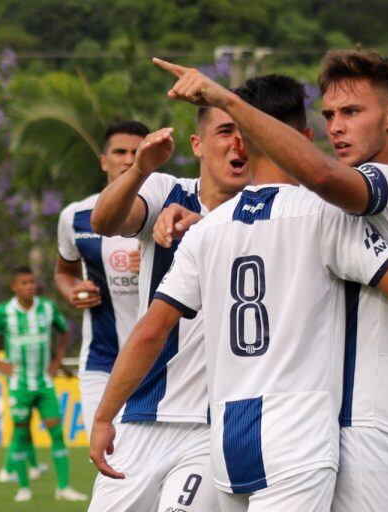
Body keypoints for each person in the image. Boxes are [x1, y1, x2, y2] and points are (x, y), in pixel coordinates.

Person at [147, 49, 388, 512]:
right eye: (330, 115)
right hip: (321, 420)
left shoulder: (371, 186)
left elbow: (326, 172)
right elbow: (378, 164)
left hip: (364, 415)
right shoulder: (360, 190)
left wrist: (225, 100)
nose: (336, 126)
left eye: (350, 112)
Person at [84, 104, 250, 511]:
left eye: (247, 131)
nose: (238, 143)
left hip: (214, 427)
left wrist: (204, 227)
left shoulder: (267, 213)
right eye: (226, 131)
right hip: (141, 416)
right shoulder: (164, 191)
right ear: (197, 144)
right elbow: (104, 222)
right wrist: (139, 169)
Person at [55, 120, 146, 437]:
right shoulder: (76, 216)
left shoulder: (172, 209)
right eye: (120, 152)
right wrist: (74, 292)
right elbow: (64, 272)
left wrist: (158, 262)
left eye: (138, 151)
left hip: (161, 361)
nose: (129, 159)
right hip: (102, 362)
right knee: (108, 457)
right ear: (104, 161)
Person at [0, 265, 87, 502]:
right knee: (22, 434)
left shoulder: (47, 308)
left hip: (44, 382)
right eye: (24, 283)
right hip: (19, 384)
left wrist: (58, 361)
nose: (30, 286)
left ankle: (64, 487)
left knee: (57, 432)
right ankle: (24, 487)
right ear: (14, 287)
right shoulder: (3, 312)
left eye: (32, 282)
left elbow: (64, 331)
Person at [0, 347, 50, 483]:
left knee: (25, 432)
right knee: (19, 433)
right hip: (12, 398)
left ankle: (34, 466)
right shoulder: (3, 354)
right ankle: (7, 470)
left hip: (12, 397)